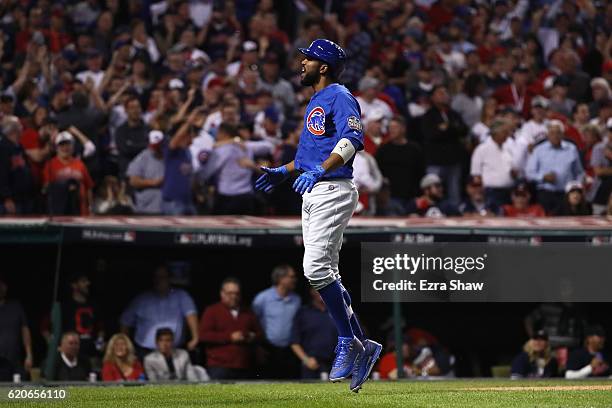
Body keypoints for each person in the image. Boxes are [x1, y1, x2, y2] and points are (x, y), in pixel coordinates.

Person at [254, 39, 382, 393]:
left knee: (314, 269)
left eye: (308, 58)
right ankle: (363, 344)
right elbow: (311, 154)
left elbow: (353, 138)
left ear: (323, 66)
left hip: (333, 188)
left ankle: (347, 341)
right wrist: (285, 170)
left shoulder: (339, 95)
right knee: (326, 272)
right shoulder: (316, 99)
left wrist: (322, 170)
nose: (302, 63)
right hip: (313, 189)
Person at [120, 265, 199, 358]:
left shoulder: (181, 296)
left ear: (169, 279)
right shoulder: (141, 299)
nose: (158, 280)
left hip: (174, 352)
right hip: (145, 352)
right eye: (156, 277)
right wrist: (126, 345)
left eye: (162, 277)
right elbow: (125, 322)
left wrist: (195, 338)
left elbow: (190, 314)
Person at [199, 123, 273, 215]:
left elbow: (206, 173)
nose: (216, 136)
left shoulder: (221, 150)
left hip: (227, 197)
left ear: (223, 133)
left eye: (218, 133)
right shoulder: (246, 146)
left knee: (222, 228)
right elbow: (269, 146)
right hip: (246, 197)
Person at [199, 277, 262, 380]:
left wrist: (252, 336)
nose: (234, 296)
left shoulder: (248, 312)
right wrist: (229, 337)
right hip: (220, 367)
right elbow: (204, 336)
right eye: (230, 293)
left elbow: (259, 334)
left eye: (236, 293)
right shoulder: (212, 311)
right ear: (222, 294)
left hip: (243, 366)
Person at [420, 85, 469, 205]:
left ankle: (454, 214)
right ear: (433, 97)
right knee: (433, 190)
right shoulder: (428, 116)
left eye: (445, 93)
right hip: (436, 160)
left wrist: (446, 128)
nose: (444, 95)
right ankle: (432, 211)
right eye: (440, 93)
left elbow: (464, 130)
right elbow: (431, 134)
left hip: (453, 160)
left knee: (454, 192)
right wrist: (452, 130)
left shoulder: (454, 114)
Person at [252, 265, 301, 379]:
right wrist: (257, 347)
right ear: (281, 279)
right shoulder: (262, 298)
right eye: (291, 277)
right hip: (268, 349)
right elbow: (253, 323)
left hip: (290, 351)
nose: (295, 280)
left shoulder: (296, 300)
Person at [525, 120, 584, 214]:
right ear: (547, 135)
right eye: (552, 133)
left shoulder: (571, 149)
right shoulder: (539, 150)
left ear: (563, 134)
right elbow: (529, 173)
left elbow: (579, 172)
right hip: (545, 193)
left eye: (558, 133)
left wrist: (575, 188)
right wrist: (543, 177)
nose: (555, 136)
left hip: (566, 194)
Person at [375, 115, 425, 211]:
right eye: (390, 128)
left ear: (403, 129)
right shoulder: (383, 150)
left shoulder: (415, 149)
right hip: (391, 198)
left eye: (395, 127)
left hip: (412, 197)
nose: (391, 130)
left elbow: (421, 172)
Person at [42, 131, 95, 215]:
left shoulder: (80, 164)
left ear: (73, 146)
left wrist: (91, 208)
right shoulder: (50, 165)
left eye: (68, 144)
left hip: (81, 211)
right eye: (62, 145)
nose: (65, 148)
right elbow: (46, 188)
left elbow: (88, 187)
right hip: (60, 211)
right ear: (56, 148)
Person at [290, 288, 338, 379]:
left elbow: (354, 338)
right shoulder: (303, 313)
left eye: (326, 289)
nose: (323, 292)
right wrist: (306, 359)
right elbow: (294, 341)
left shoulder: (340, 311)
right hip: (312, 365)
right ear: (312, 291)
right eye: (319, 289)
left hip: (338, 365)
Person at [470, 118, 517, 208]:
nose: (507, 135)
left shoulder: (509, 148)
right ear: (496, 133)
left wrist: (514, 174)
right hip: (490, 193)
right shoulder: (482, 149)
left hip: (509, 191)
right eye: (505, 132)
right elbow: (476, 175)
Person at [0, 276, 33, 379]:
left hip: (14, 360)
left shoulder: (16, 306)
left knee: (15, 391)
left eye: (2, 285)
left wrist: (29, 354)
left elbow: (25, 330)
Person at [0, 116, 34, 214]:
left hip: (24, 199)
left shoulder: (19, 147)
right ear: (13, 129)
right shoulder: (2, 148)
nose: (21, 127)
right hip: (11, 202)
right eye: (19, 125)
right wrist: (7, 198)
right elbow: (1, 175)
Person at [126, 130, 165, 214]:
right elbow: (133, 181)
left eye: (158, 146)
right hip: (147, 209)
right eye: (154, 146)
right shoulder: (142, 158)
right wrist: (154, 183)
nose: (155, 149)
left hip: (166, 208)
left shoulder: (168, 157)